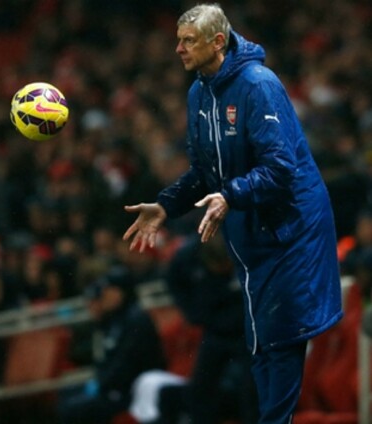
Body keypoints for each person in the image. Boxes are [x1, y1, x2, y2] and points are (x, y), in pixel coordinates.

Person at [122, 4, 343, 423]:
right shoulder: (199, 93)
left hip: (291, 229)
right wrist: (166, 205)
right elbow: (204, 172)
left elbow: (281, 168)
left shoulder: (259, 85)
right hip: (251, 230)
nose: (178, 49)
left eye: (188, 41)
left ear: (218, 42)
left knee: (280, 338)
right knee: (260, 342)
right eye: (178, 40)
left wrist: (230, 195)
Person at [159, 234, 258, 424]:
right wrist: (193, 313)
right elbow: (174, 282)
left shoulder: (247, 249)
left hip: (247, 331)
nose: (223, 271)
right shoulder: (187, 257)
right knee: (201, 387)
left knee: (251, 387)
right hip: (214, 330)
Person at [58, 264, 167, 424]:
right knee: (67, 394)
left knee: (74, 409)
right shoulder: (114, 320)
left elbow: (127, 364)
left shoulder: (136, 320)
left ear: (120, 292)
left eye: (108, 291)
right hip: (114, 387)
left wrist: (102, 384)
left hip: (134, 391)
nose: (104, 297)